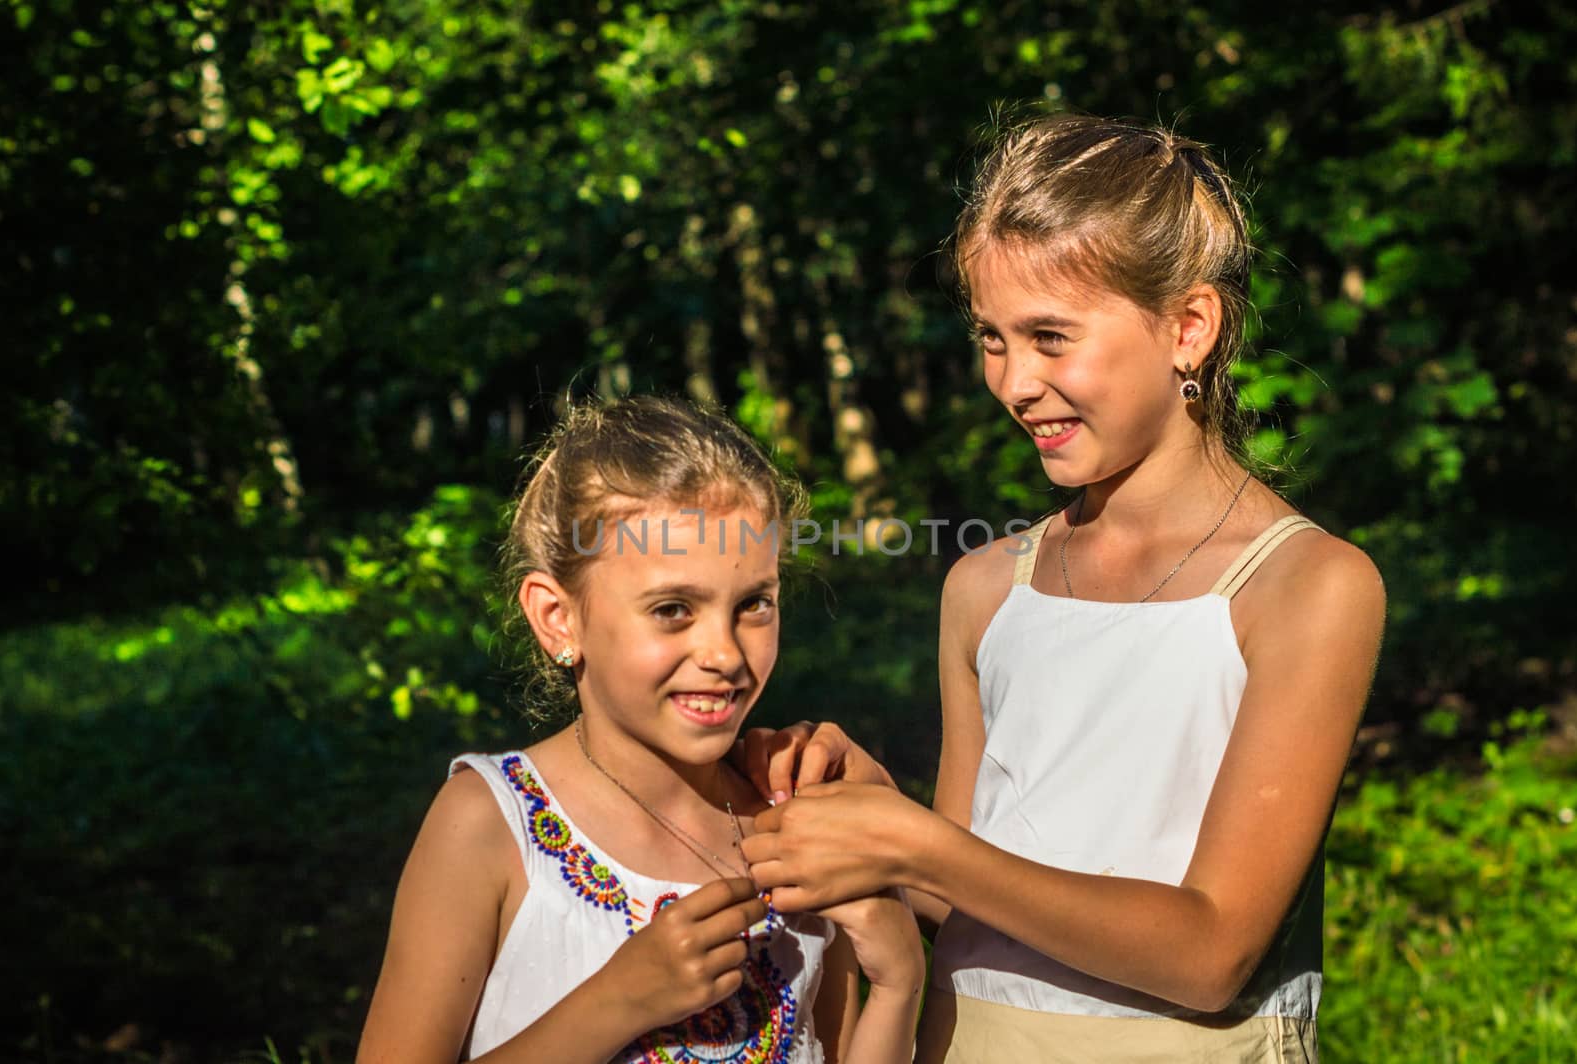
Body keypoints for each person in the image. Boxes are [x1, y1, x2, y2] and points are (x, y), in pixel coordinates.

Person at [738, 114, 1386, 1062]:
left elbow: (1212, 952)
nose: (1014, 383)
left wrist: (919, 846)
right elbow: (966, 906)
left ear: (1188, 329)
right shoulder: (988, 588)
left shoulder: (1305, 586)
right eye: (993, 339)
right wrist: (875, 814)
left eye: (1050, 336)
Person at [356, 396, 924, 1064]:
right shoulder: (489, 824)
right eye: (673, 608)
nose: (725, 654)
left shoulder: (798, 824)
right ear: (557, 618)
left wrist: (898, 982)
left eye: (754, 605)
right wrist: (616, 1003)